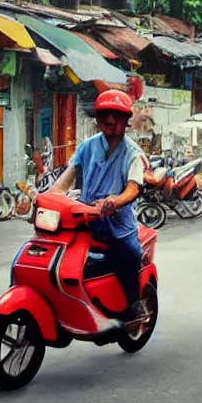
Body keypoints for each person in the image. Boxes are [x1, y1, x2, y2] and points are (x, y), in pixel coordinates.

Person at [50, 89, 149, 324]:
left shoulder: (133, 154)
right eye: (105, 114)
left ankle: (136, 306)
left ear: (126, 120)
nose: (110, 120)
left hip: (118, 225)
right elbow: (67, 178)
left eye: (116, 115)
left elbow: (133, 188)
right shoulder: (87, 146)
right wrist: (49, 198)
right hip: (85, 219)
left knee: (127, 255)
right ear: (98, 118)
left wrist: (115, 201)